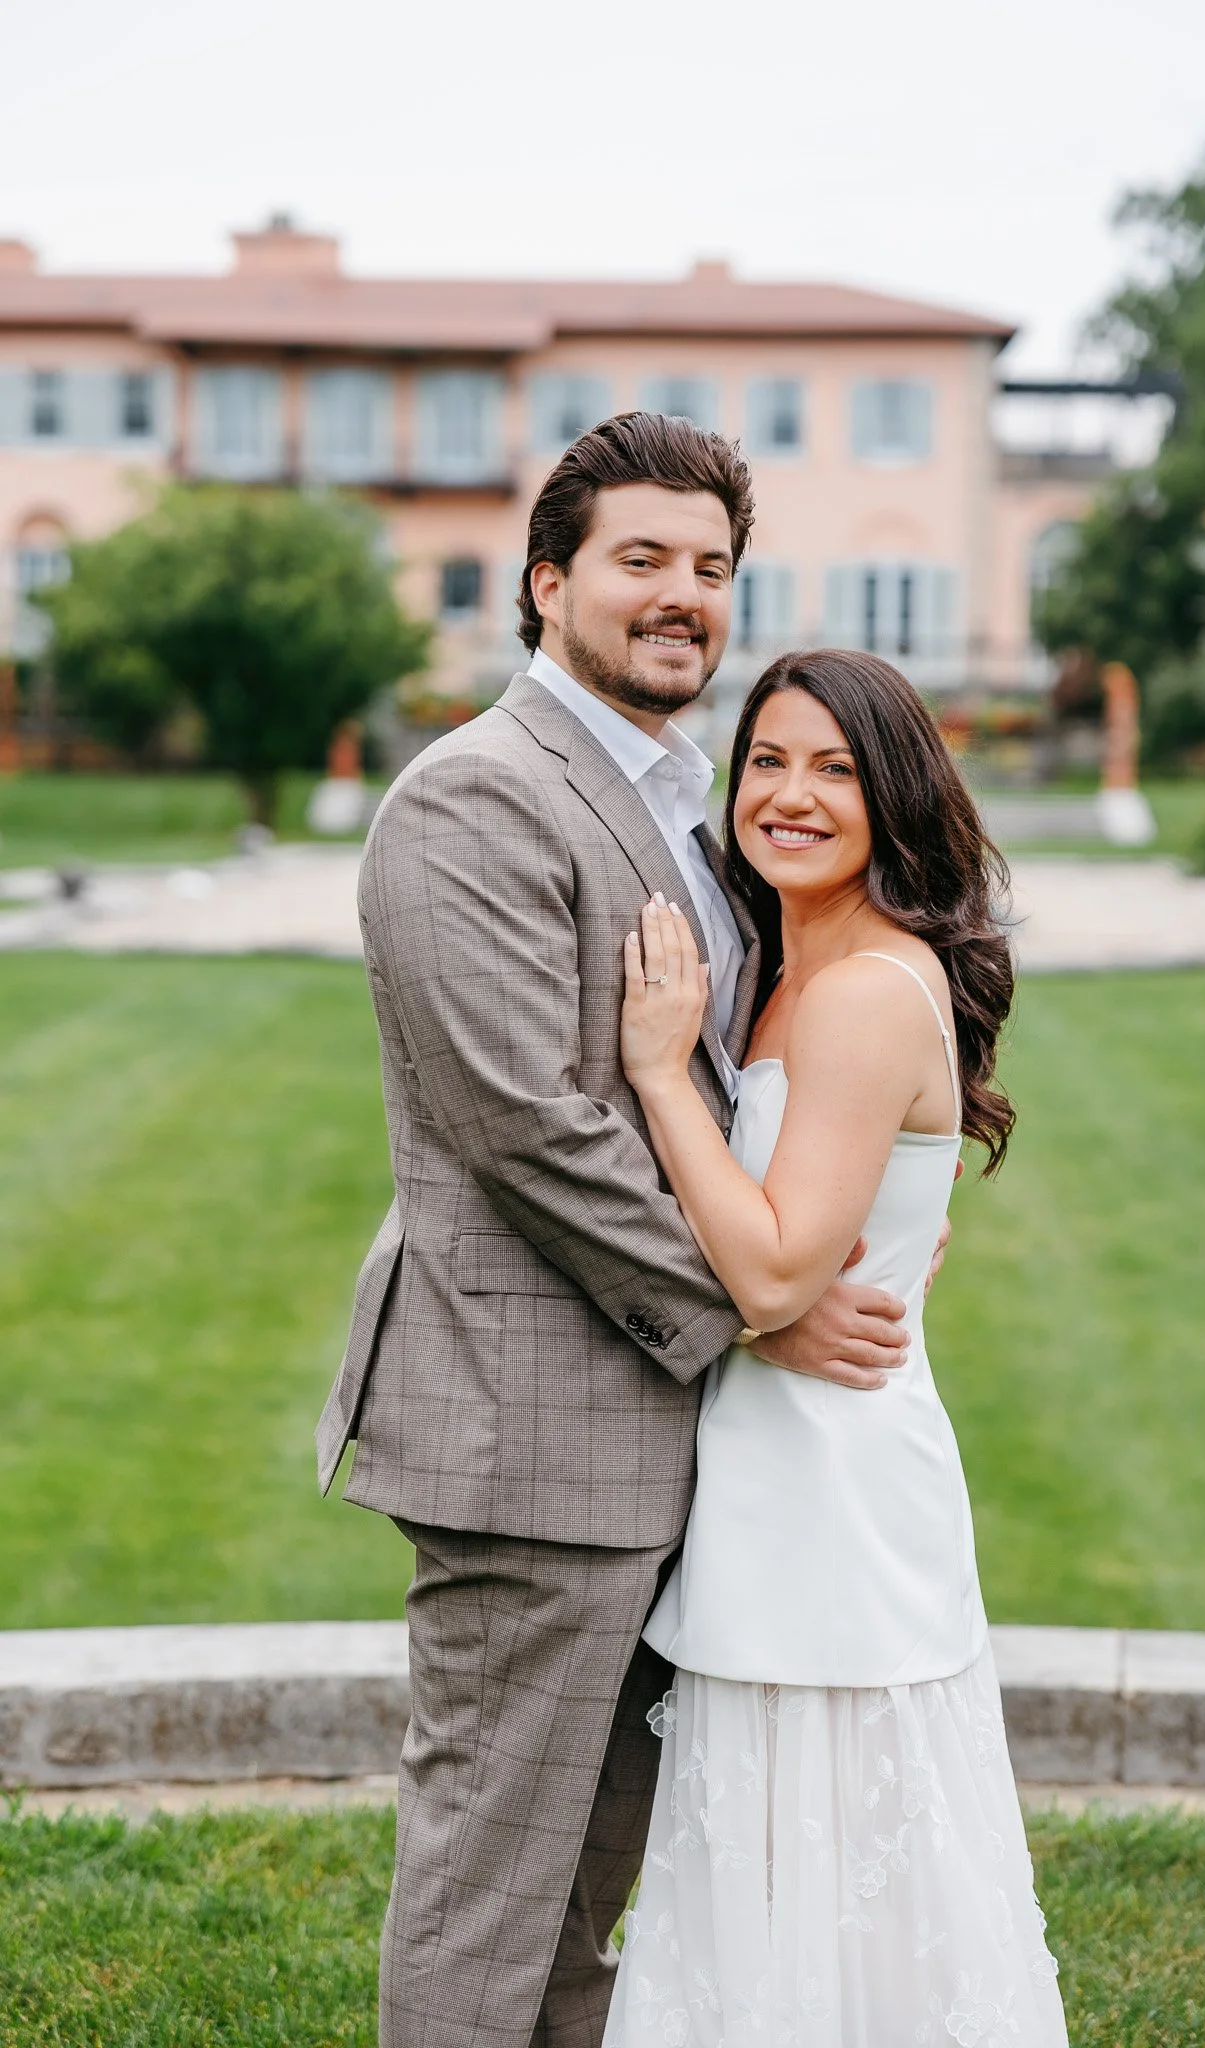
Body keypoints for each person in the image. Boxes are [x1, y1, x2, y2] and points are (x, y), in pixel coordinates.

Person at [314, 412, 951, 2048]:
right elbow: (529, 1128)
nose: (682, 596)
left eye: (711, 568)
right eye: (641, 561)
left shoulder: (686, 799)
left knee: (596, 1896)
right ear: (548, 584)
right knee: (493, 1892)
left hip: (689, 1446)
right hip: (532, 1438)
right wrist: (760, 1308)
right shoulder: (473, 803)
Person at [603, 651, 1069, 2046]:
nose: (790, 795)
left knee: (845, 1880)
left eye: (835, 769)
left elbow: (773, 1261)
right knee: (760, 1876)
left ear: (897, 798)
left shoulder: (865, 988)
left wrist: (653, 1070)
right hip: (777, 1476)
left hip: (836, 1496)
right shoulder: (787, 969)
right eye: (766, 760)